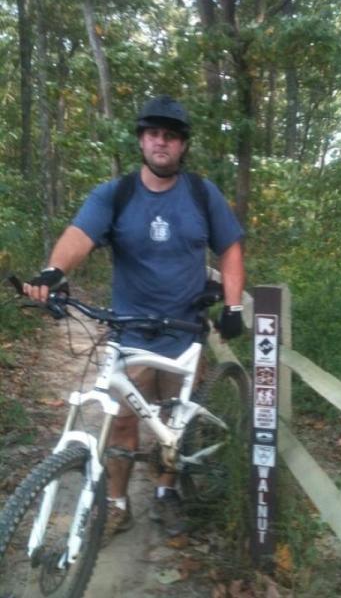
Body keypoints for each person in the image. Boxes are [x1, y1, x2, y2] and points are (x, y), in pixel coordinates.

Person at [23, 94, 245, 542]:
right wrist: (54, 271)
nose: (161, 142)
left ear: (183, 145)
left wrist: (235, 306)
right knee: (122, 421)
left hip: (185, 333)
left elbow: (231, 248)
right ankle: (118, 504)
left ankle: (166, 492)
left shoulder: (203, 195)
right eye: (154, 133)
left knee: (174, 423)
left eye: (171, 136)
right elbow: (80, 235)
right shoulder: (116, 194)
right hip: (130, 333)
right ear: (142, 141)